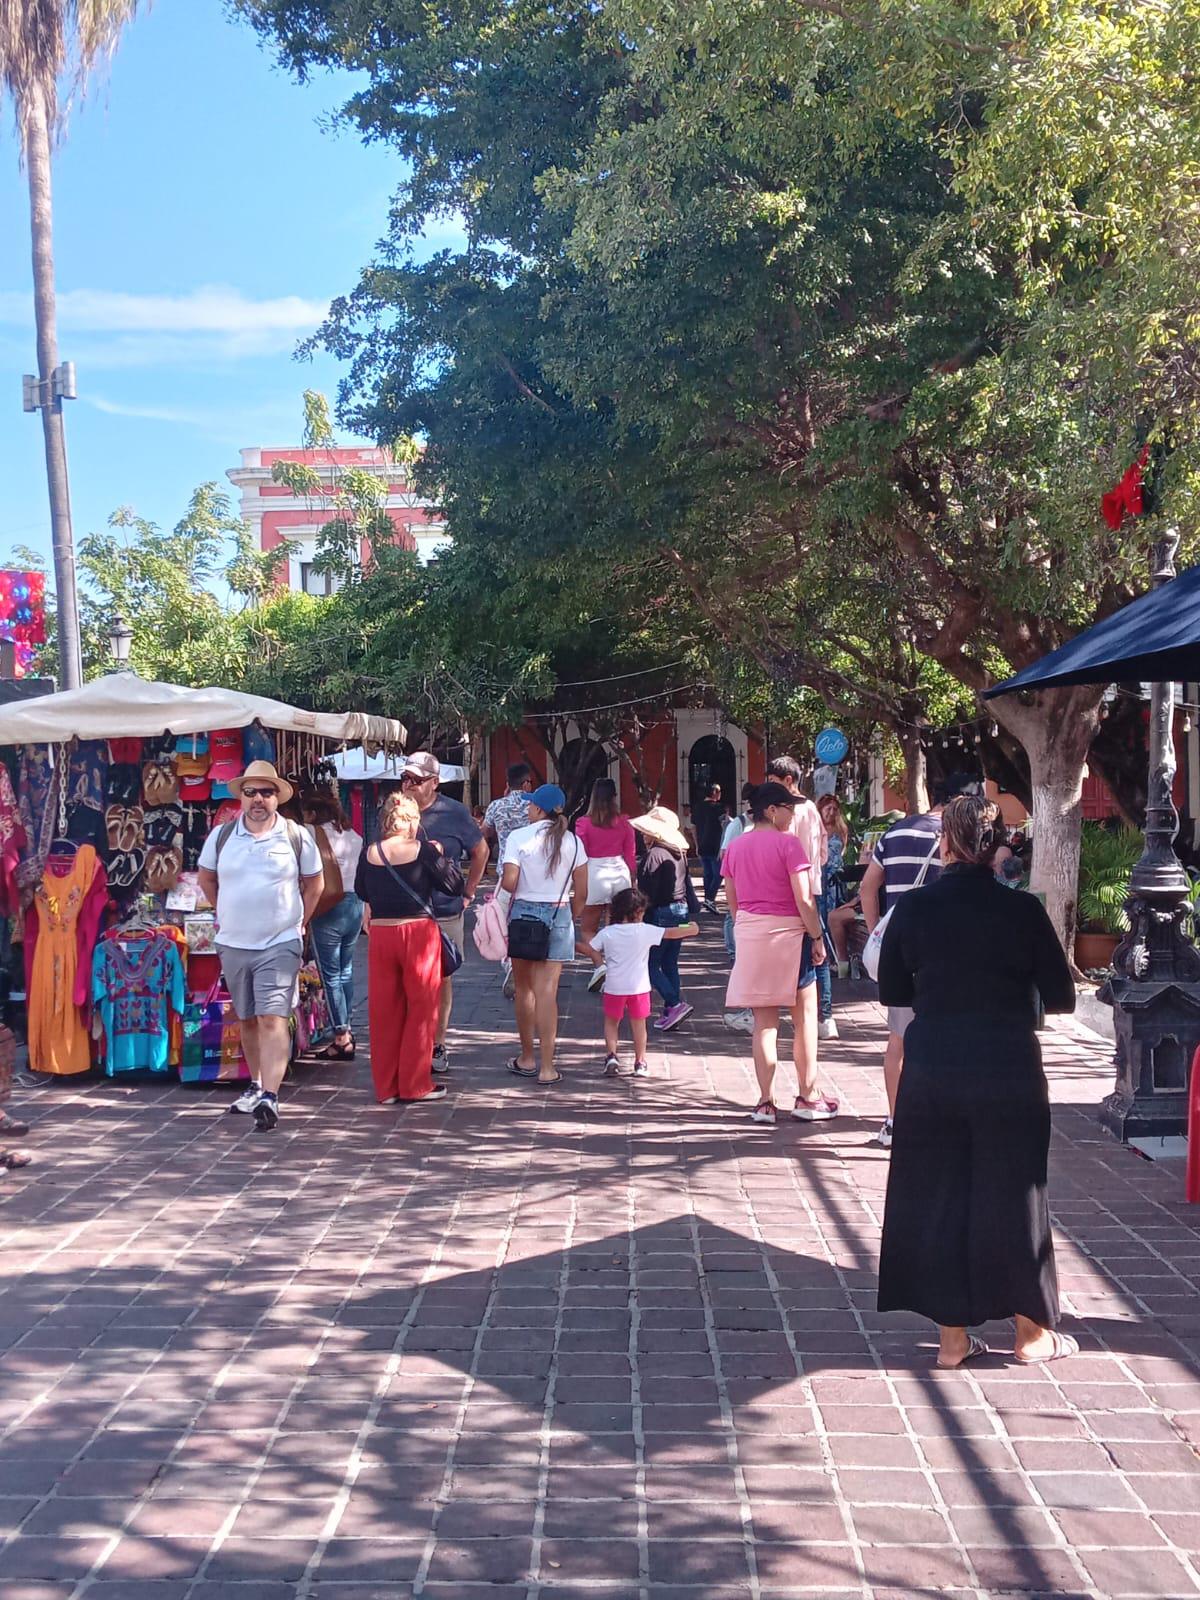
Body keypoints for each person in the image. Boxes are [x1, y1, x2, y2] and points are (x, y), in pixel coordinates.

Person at [876, 794, 1077, 1368]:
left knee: (939, 1193)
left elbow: (893, 991)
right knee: (1015, 1194)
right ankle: (1030, 1332)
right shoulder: (1021, 911)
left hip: (935, 1065)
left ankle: (952, 1339)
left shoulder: (915, 909)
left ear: (945, 841)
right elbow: (1060, 996)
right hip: (1007, 1065)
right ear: (998, 846)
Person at [197, 761, 325, 1133]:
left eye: (266, 792)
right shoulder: (222, 836)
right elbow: (207, 878)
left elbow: (314, 885)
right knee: (248, 1018)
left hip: (279, 942)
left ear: (277, 798)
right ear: (240, 796)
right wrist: (225, 910)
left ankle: (271, 1094)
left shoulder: (295, 835)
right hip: (234, 942)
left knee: (272, 1017)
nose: (257, 799)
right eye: (250, 792)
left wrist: (300, 922)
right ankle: (255, 1085)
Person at [860, 772, 979, 1149]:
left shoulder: (894, 834)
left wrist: (878, 928)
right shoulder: (957, 838)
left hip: (903, 948)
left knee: (899, 1037)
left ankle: (896, 1120)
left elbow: (867, 887)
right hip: (948, 949)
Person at [722, 781, 837, 1126]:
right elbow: (804, 899)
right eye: (788, 809)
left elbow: (732, 901)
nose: (792, 815)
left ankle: (765, 1102)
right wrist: (817, 936)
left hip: (753, 935)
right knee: (804, 1018)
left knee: (764, 1024)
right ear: (772, 810)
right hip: (791, 936)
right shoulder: (789, 845)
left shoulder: (736, 848)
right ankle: (807, 1095)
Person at [355, 792, 464, 1104]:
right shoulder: (423, 850)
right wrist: (440, 855)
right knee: (421, 1009)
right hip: (418, 934)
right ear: (413, 820)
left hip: (382, 935)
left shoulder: (370, 852)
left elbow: (362, 889)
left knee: (384, 1011)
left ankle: (386, 1087)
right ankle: (415, 1084)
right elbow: (453, 885)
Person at [400, 752, 490, 1074]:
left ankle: (437, 1043)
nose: (408, 785)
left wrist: (469, 890)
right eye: (405, 778)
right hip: (405, 911)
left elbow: (481, 851)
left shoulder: (454, 813)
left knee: (441, 980)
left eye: (416, 780)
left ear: (434, 783)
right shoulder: (397, 810)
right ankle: (412, 1040)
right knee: (407, 980)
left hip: (444, 911)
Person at [501, 783, 589, 1083]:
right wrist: (570, 917)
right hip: (559, 912)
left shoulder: (518, 837)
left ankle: (527, 1058)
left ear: (539, 809)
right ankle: (548, 1067)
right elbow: (583, 892)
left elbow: (510, 883)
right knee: (547, 993)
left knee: (524, 990)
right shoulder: (574, 843)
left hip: (524, 914)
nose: (527, 809)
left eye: (530, 805)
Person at [579, 887, 699, 1077]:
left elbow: (589, 948)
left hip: (613, 987)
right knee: (639, 1025)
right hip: (639, 988)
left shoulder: (608, 932)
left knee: (611, 1023)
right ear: (638, 912)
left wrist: (568, 944)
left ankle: (611, 1056)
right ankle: (640, 1062)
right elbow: (672, 931)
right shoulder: (646, 930)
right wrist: (690, 926)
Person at [765, 756, 827, 1099]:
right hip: (806, 892)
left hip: (795, 894)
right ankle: (807, 1092)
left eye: (774, 779)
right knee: (814, 967)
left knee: (808, 973)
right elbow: (821, 855)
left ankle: (789, 1094)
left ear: (788, 780)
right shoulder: (812, 811)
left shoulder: (789, 815)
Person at [301, 793, 364, 1061]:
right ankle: (346, 1024)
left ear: (313, 814)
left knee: (331, 974)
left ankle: (341, 1035)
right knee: (345, 970)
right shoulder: (354, 836)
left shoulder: (310, 833)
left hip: (329, 905)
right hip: (354, 904)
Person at [633, 805, 701, 1031]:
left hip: (661, 913)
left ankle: (674, 1002)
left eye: (646, 831)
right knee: (670, 961)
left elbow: (646, 893)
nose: (643, 835)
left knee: (650, 964)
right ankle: (671, 1010)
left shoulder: (654, 855)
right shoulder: (678, 852)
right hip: (680, 911)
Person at [576, 777, 637, 993]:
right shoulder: (624, 822)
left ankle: (599, 965)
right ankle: (615, 972)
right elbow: (630, 855)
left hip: (594, 873)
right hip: (619, 873)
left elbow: (579, 854)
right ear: (614, 797)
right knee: (616, 928)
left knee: (588, 929)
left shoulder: (584, 823)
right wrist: (633, 880)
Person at [483, 762, 534, 997]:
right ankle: (529, 965)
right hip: (534, 875)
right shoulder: (535, 805)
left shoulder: (496, 806)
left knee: (501, 922)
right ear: (525, 784)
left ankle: (510, 963)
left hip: (506, 874)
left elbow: (483, 833)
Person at [720, 783, 756, 1034]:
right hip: (741, 898)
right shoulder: (738, 825)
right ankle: (749, 1010)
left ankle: (752, 1012)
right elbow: (725, 857)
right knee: (739, 957)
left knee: (746, 959)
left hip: (754, 901)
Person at [814, 793, 850, 1041]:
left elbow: (834, 866)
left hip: (829, 890)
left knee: (821, 951)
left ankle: (824, 1014)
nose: (831, 812)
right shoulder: (815, 833)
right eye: (827, 808)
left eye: (834, 809)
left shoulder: (837, 836)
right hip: (818, 891)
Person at [693, 783, 728, 913]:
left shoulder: (697, 807)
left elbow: (694, 827)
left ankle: (709, 900)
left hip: (702, 844)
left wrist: (696, 844)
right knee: (718, 874)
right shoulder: (719, 808)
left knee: (707, 874)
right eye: (719, 792)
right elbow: (725, 827)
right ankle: (710, 899)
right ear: (714, 793)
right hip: (715, 845)